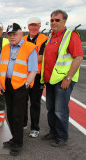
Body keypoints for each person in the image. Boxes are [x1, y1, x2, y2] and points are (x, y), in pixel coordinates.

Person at [40, 10, 83, 147]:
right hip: (51, 80)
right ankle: (53, 132)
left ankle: (62, 137)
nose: (53, 22)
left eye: (57, 20)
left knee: (60, 110)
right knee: (51, 108)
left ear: (64, 21)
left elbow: (78, 57)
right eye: (52, 20)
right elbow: (46, 58)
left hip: (63, 80)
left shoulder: (71, 36)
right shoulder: (50, 37)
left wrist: (68, 78)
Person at [0, 23, 38, 156]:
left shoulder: (29, 47)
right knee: (9, 114)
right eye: (9, 34)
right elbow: (1, 68)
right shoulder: (5, 48)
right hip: (7, 84)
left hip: (21, 86)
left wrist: (27, 84)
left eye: (14, 34)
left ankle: (18, 142)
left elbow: (33, 70)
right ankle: (14, 138)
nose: (12, 37)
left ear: (21, 34)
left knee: (18, 115)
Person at [22, 17, 48, 137]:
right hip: (23, 75)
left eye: (36, 25)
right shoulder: (23, 39)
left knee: (35, 103)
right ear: (28, 26)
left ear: (39, 26)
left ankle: (35, 128)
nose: (33, 27)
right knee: (22, 101)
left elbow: (42, 57)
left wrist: (25, 60)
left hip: (37, 76)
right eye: (31, 25)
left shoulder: (44, 39)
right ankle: (23, 123)